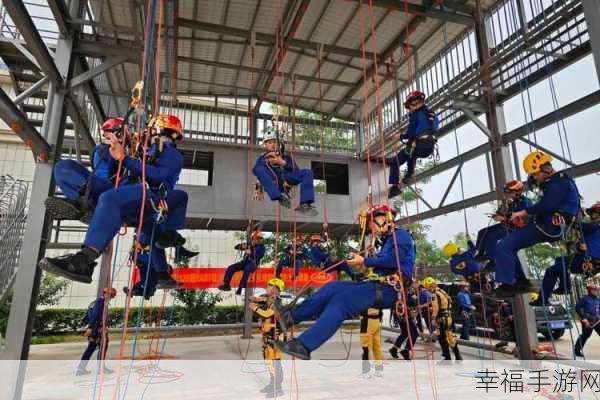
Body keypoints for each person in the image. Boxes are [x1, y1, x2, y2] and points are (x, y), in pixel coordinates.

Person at [39, 114, 186, 284]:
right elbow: (109, 170)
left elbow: (157, 176)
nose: (147, 132)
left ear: (160, 130)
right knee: (63, 168)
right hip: (120, 193)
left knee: (110, 198)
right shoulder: (140, 149)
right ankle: (85, 205)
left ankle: (84, 261)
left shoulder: (171, 154)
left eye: (151, 129)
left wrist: (125, 158)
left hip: (147, 196)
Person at [273, 204, 416, 360]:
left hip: (390, 289)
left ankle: (304, 345)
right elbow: (383, 265)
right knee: (332, 288)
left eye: (371, 223)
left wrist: (365, 260)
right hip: (377, 285)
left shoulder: (400, 235)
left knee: (341, 302)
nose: (370, 227)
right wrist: (363, 264)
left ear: (383, 219)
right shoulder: (387, 241)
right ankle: (290, 318)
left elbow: (393, 260)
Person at [494, 151, 580, 297]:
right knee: (508, 247)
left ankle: (509, 284)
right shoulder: (557, 183)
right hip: (547, 225)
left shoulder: (559, 182)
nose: (534, 177)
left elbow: (546, 205)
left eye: (535, 174)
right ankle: (520, 281)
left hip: (549, 226)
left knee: (504, 245)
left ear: (546, 169)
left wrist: (521, 214)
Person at [46, 117, 126, 223]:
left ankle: (84, 206)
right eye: (106, 134)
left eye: (110, 133)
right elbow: (109, 156)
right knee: (62, 168)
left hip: (115, 189)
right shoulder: (103, 150)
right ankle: (82, 203)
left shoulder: (129, 151)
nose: (107, 137)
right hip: (99, 187)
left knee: (61, 168)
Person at [532, 202, 600, 306]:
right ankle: (564, 287)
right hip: (583, 256)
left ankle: (546, 298)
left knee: (552, 270)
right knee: (559, 261)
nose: (592, 217)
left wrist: (572, 217)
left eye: (594, 214)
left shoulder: (595, 227)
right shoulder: (595, 227)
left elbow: (580, 227)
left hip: (588, 260)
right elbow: (580, 229)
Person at [252, 127, 318, 216]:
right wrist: (267, 161)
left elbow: (296, 172)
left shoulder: (286, 158)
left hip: (287, 180)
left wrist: (283, 162)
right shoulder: (262, 158)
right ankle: (278, 197)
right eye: (269, 142)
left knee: (308, 172)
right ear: (265, 145)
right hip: (274, 182)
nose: (273, 144)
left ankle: (305, 204)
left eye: (275, 142)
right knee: (258, 169)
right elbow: (256, 171)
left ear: (279, 144)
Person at [387, 91, 439, 198]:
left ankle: (395, 187)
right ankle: (409, 175)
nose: (409, 109)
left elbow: (410, 134)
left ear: (415, 103)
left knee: (394, 162)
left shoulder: (416, 115)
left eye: (409, 106)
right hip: (429, 148)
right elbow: (431, 129)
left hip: (419, 145)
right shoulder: (431, 114)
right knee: (411, 154)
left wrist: (399, 136)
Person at [474, 180, 532, 268]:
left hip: (517, 228)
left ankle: (493, 261)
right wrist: (500, 214)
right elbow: (509, 215)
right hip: (507, 225)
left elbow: (523, 220)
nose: (507, 195)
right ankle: (481, 254)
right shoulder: (513, 203)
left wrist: (503, 218)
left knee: (491, 237)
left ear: (517, 192)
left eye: (509, 193)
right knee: (482, 232)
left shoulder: (525, 202)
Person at [249, 278, 286, 398]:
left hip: (275, 338)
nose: (267, 287)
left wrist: (254, 307)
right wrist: (256, 299)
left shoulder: (277, 303)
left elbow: (266, 314)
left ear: (275, 289)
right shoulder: (271, 300)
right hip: (269, 337)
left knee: (275, 364)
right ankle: (272, 384)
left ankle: (278, 388)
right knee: (269, 363)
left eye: (269, 286)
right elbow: (263, 299)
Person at [77, 287, 116, 376]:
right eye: (110, 296)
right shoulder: (100, 302)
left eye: (112, 297)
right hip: (97, 329)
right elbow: (96, 316)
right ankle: (100, 368)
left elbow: (91, 315)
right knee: (103, 347)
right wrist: (92, 328)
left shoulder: (97, 302)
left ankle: (81, 368)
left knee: (91, 348)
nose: (110, 298)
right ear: (105, 294)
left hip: (96, 328)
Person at [423, 277, 462, 362]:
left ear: (429, 286)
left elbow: (436, 308)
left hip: (442, 319)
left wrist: (433, 318)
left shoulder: (434, 294)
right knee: (451, 336)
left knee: (442, 338)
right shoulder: (442, 292)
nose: (427, 289)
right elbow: (449, 302)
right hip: (449, 317)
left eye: (427, 287)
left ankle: (447, 359)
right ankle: (458, 356)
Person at [218, 229, 266, 295]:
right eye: (255, 239)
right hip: (245, 262)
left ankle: (240, 288)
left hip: (252, 264)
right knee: (231, 267)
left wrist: (251, 252)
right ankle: (226, 284)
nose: (257, 240)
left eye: (258, 239)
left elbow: (259, 256)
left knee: (247, 269)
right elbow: (236, 247)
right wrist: (241, 246)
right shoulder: (250, 245)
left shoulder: (261, 248)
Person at [389, 280, 423, 361]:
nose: (417, 284)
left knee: (405, 333)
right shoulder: (403, 289)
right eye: (415, 283)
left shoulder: (406, 289)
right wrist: (414, 297)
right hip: (404, 314)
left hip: (403, 314)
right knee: (414, 333)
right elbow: (408, 301)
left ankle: (394, 349)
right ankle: (406, 350)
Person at [574, 282, 600, 357]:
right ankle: (577, 350)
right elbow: (577, 308)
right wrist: (583, 318)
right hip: (587, 321)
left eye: (597, 290)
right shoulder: (584, 299)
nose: (596, 291)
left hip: (597, 321)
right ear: (590, 290)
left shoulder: (598, 299)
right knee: (585, 335)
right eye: (595, 290)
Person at [360, 308, 383, 378]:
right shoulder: (378, 296)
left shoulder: (365, 297)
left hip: (367, 322)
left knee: (366, 347)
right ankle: (378, 370)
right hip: (377, 321)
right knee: (377, 347)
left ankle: (366, 371)